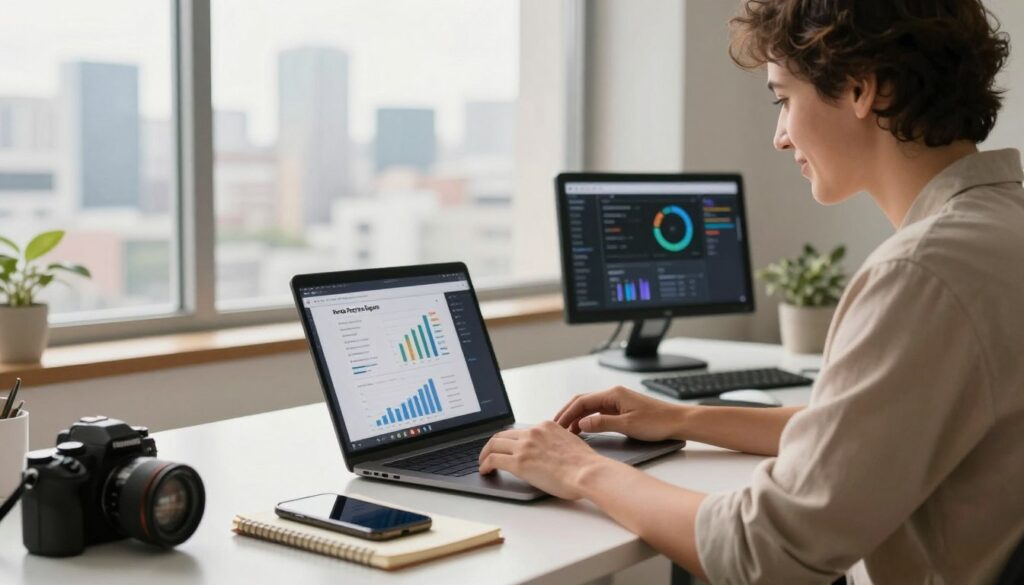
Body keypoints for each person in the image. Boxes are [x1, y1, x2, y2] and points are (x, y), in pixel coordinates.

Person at [478, 1, 1024, 583]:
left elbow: (764, 552)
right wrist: (681, 418)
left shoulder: (921, 273)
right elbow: (858, 434)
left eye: (783, 99)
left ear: (864, 90)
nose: (780, 137)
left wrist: (581, 471)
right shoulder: (1000, 226)